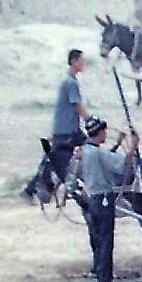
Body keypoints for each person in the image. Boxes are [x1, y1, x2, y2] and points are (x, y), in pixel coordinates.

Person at [77, 117, 139, 282]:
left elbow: (105, 159)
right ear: (100, 133)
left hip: (92, 199)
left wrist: (118, 143)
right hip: (104, 199)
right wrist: (133, 145)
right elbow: (122, 164)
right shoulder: (98, 153)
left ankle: (100, 277)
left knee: (98, 240)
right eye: (104, 131)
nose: (106, 134)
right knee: (106, 242)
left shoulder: (85, 151)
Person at [24, 49, 88, 202]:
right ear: (73, 61)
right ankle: (35, 190)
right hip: (68, 131)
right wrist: (90, 119)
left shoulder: (67, 80)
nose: (83, 63)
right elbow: (77, 105)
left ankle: (33, 190)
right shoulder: (71, 82)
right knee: (90, 148)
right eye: (81, 60)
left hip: (66, 128)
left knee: (53, 159)